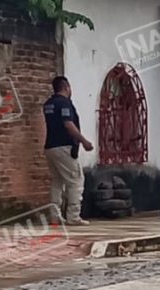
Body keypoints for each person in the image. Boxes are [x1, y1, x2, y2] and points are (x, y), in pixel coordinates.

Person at [43, 76, 93, 225]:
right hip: (64, 147)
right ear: (67, 87)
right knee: (76, 180)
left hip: (50, 147)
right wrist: (84, 141)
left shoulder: (48, 104)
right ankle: (73, 216)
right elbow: (68, 124)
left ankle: (55, 216)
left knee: (57, 181)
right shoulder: (64, 103)